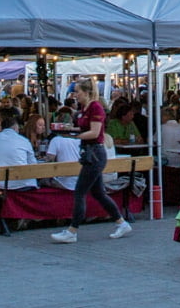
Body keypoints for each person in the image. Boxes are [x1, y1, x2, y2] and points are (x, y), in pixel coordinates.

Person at [51, 80, 132, 244]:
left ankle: (72, 230)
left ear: (86, 92)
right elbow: (85, 128)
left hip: (95, 153)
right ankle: (121, 222)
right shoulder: (84, 109)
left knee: (80, 191)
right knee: (98, 193)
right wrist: (71, 130)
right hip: (89, 152)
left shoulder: (95, 107)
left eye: (78, 91)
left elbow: (95, 132)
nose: (75, 95)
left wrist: (75, 135)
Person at [0, 108, 39, 189]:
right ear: (15, 127)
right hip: (23, 184)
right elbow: (33, 164)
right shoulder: (24, 140)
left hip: (1, 184)